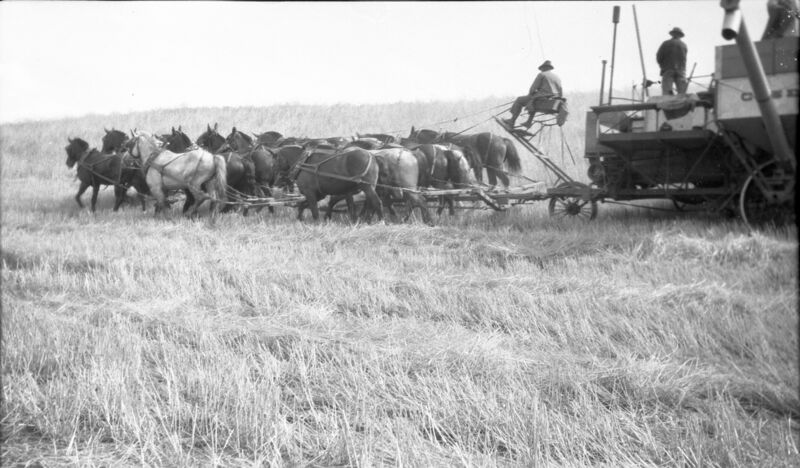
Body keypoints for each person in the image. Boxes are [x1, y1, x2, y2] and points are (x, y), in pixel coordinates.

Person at [502, 60, 563, 128]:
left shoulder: (541, 74)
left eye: (541, 69)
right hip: (553, 102)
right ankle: (528, 122)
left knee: (519, 100)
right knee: (533, 101)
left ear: (543, 68)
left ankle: (512, 121)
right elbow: (561, 92)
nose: (541, 70)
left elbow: (532, 89)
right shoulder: (557, 77)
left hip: (542, 100)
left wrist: (531, 94)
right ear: (550, 68)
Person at [656, 27, 688, 95]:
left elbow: (659, 57)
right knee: (682, 92)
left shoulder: (666, 43)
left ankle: (668, 104)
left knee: (667, 92)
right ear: (680, 35)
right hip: (681, 71)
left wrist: (662, 66)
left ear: (672, 34)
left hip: (668, 70)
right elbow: (684, 59)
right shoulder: (684, 45)